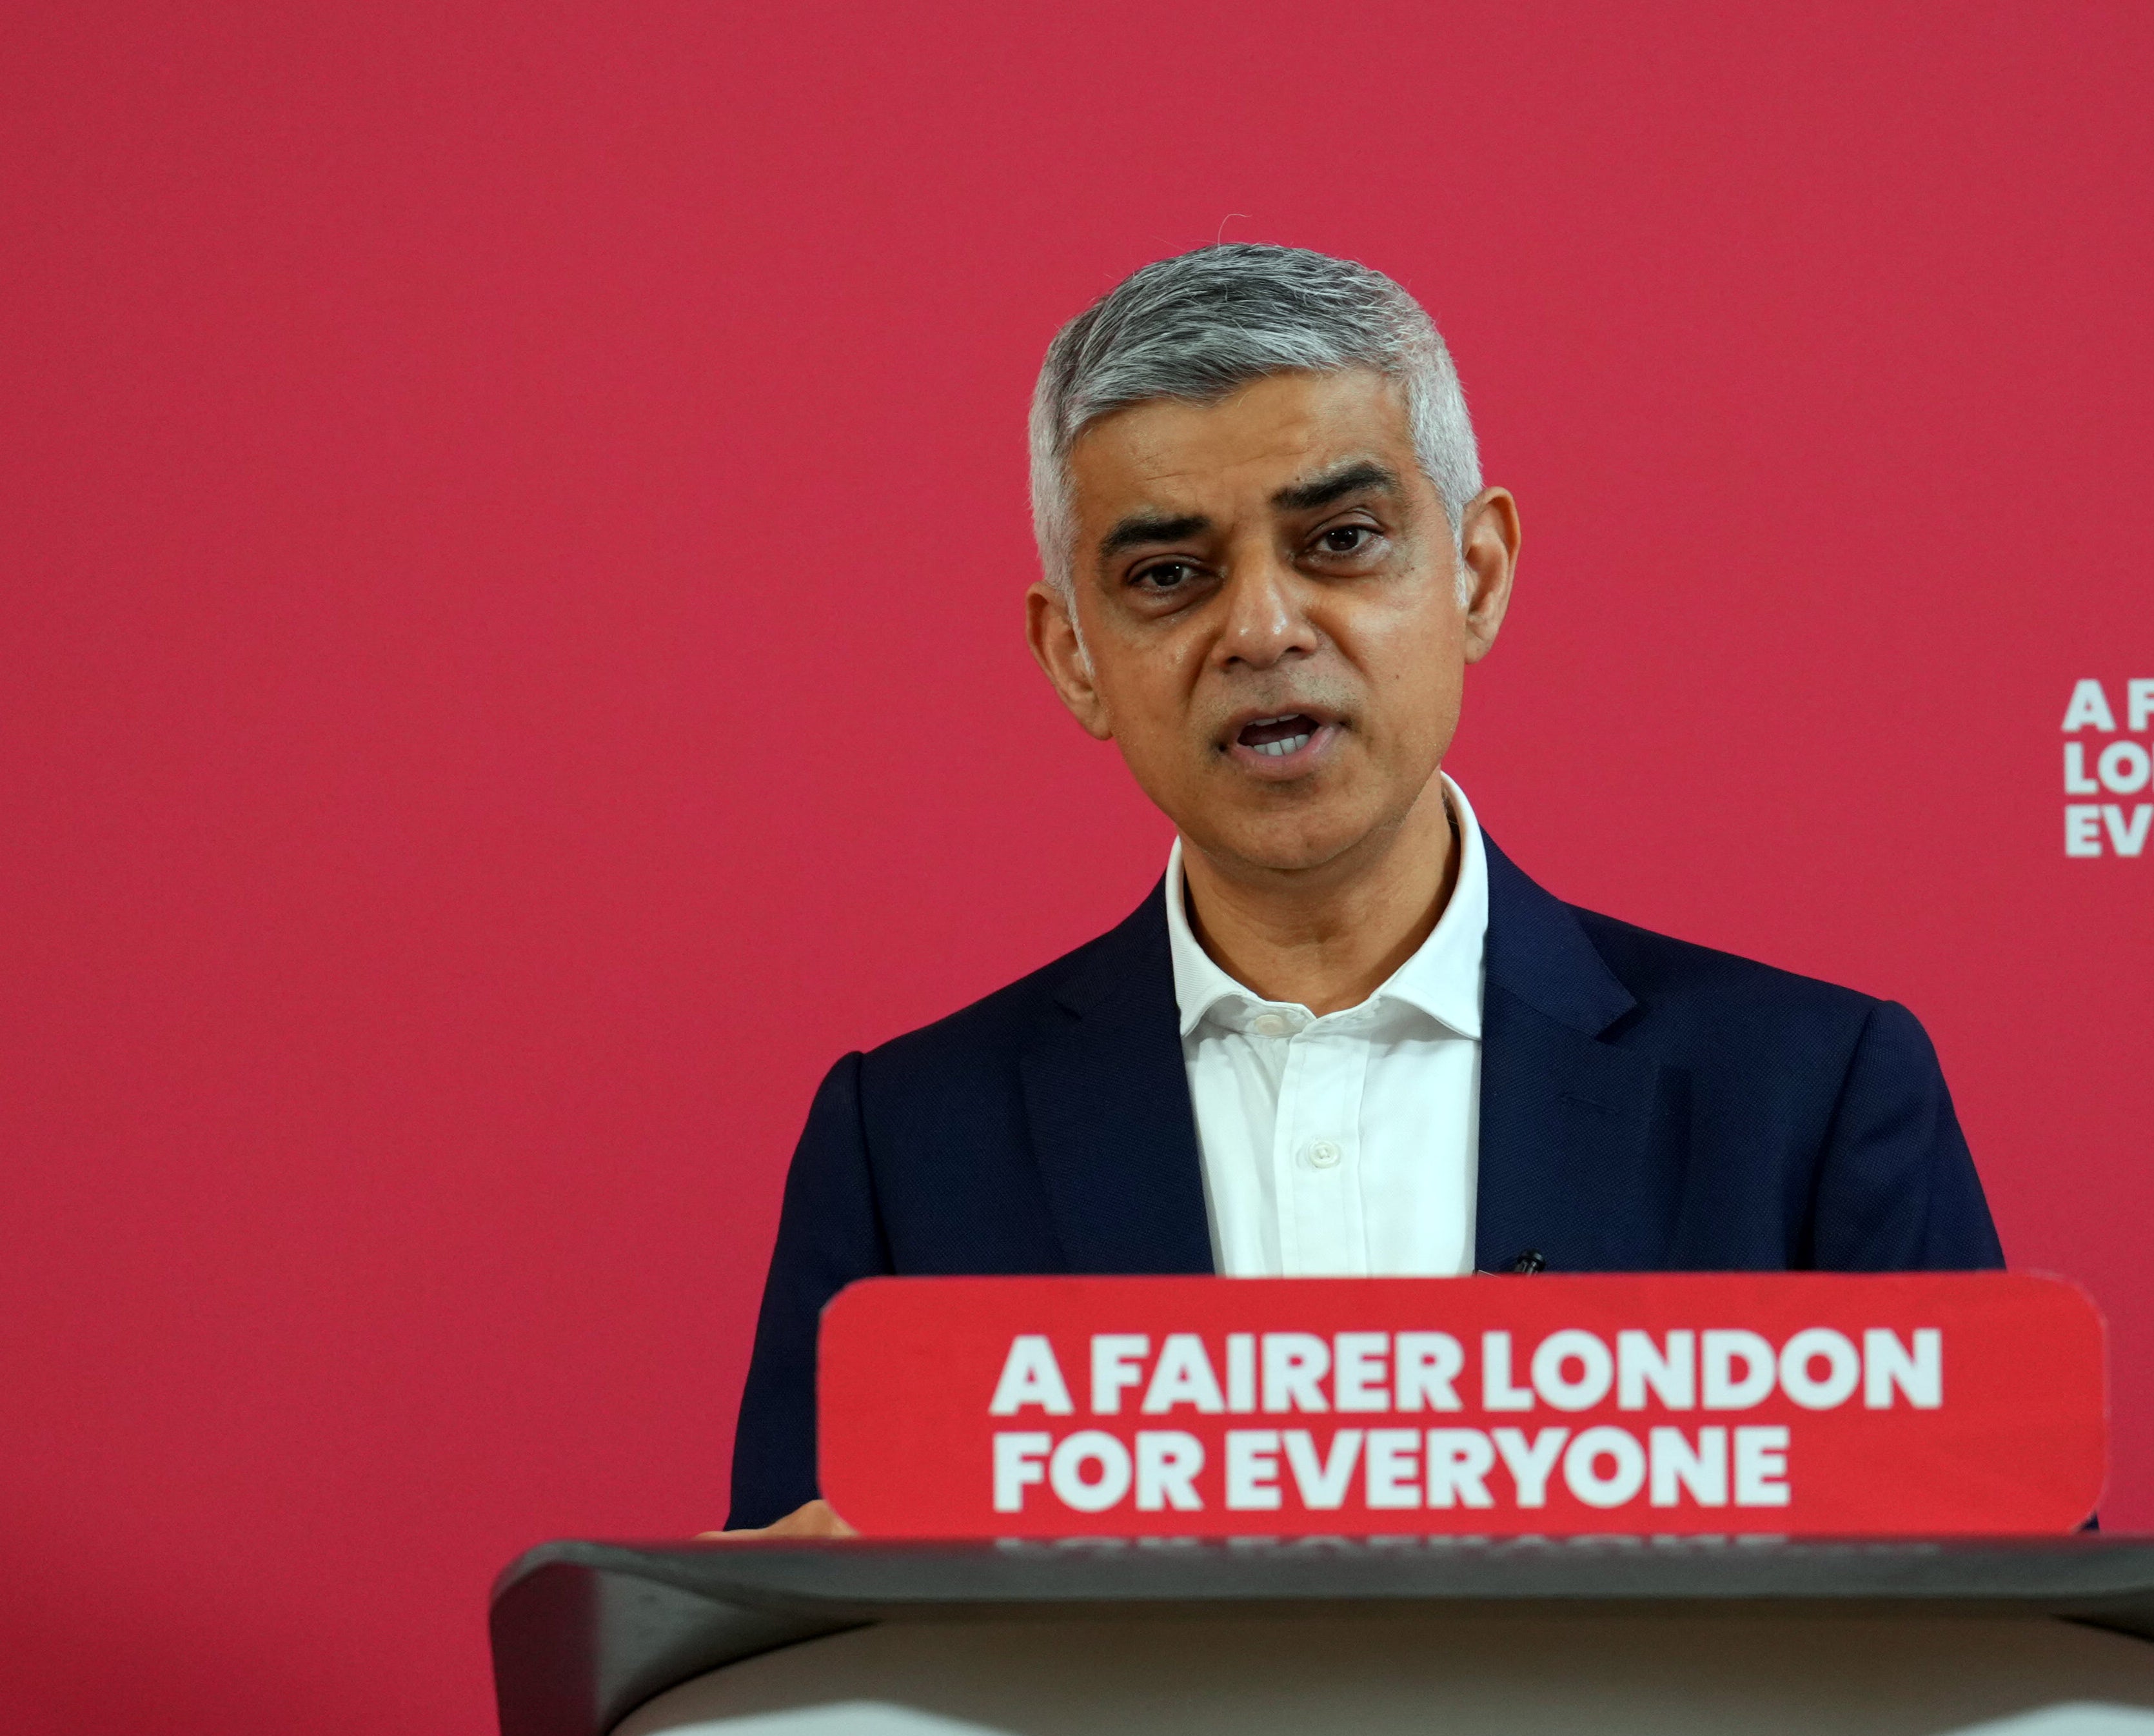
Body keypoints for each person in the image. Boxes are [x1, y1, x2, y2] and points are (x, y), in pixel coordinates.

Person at [722, 244, 2001, 1535]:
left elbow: (1999, 1623)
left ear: (1476, 574)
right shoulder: (911, 1146)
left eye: (1340, 541)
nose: (1263, 629)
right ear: (1074, 660)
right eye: (1168, 575)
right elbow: (789, 1643)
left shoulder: (1807, 1096)